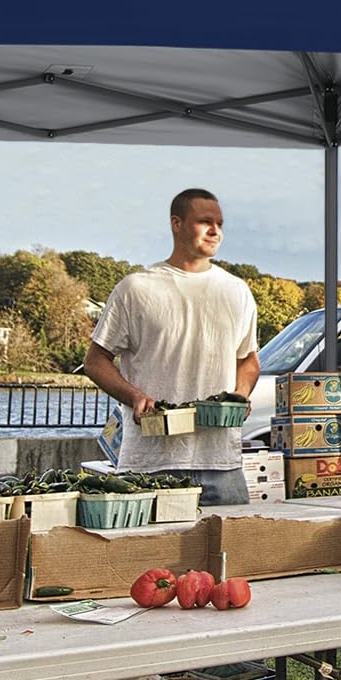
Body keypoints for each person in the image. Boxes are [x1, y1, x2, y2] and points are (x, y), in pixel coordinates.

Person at [85, 189, 260, 505]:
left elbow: (247, 359)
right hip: (150, 465)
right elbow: (96, 361)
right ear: (176, 224)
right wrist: (135, 396)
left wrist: (241, 393)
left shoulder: (238, 291)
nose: (215, 231)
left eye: (219, 223)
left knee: (235, 554)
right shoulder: (135, 289)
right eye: (205, 221)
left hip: (221, 463)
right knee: (148, 555)